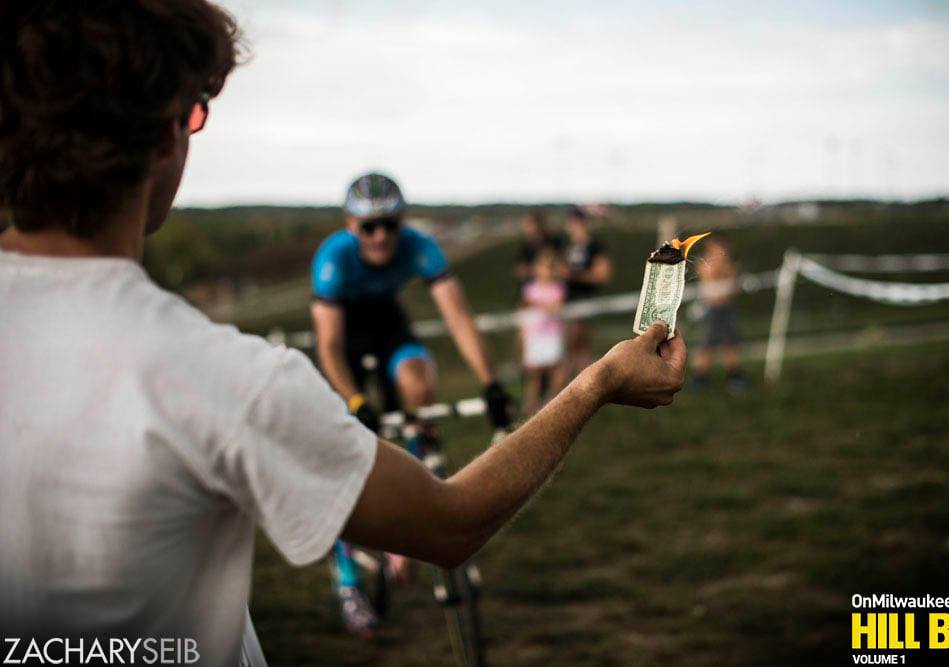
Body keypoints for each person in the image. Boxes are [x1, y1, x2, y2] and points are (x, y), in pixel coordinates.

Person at [0, 3, 686, 666]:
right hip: (336, 357)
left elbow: (453, 312)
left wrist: (485, 379)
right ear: (163, 137)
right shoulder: (227, 380)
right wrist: (596, 383)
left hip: (381, 335)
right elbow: (450, 525)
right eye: (196, 113)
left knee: (410, 375)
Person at [309, 171, 516, 634]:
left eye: (390, 224)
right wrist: (356, 399)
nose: (381, 236)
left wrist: (490, 383)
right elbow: (328, 347)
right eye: (368, 227)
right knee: (345, 457)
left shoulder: (420, 247)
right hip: (344, 340)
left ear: (402, 222)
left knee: (418, 382)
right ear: (350, 225)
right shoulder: (333, 259)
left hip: (388, 326)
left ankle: (417, 485)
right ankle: (347, 579)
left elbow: (459, 318)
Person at [691, 234, 747, 391]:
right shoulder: (704, 262)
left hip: (728, 309)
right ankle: (699, 377)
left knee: (731, 344)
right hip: (710, 309)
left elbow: (733, 281)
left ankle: (734, 376)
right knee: (705, 345)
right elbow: (710, 275)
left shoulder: (732, 264)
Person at [563, 205, 612, 375]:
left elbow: (602, 274)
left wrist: (573, 274)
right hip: (567, 301)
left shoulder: (595, 246)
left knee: (577, 344)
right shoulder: (567, 246)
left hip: (583, 300)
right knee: (575, 346)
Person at [519, 250, 569, 414]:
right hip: (534, 337)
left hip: (552, 335)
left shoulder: (558, 288)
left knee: (556, 372)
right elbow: (525, 311)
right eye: (543, 266)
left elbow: (556, 308)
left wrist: (539, 305)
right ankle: (530, 410)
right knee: (535, 377)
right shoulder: (529, 289)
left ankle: (553, 405)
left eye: (549, 267)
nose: (546, 270)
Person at [513, 207, 563, 286]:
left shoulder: (554, 242)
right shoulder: (526, 247)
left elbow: (561, 268)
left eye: (532, 224)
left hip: (554, 287)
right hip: (534, 288)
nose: (530, 228)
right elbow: (520, 271)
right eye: (528, 225)